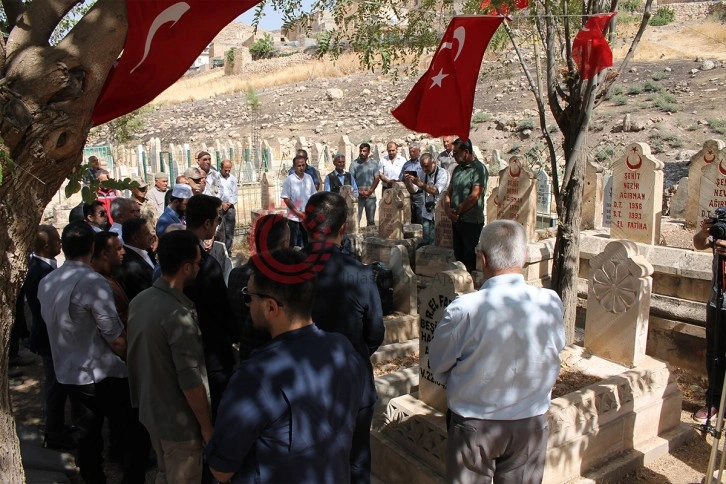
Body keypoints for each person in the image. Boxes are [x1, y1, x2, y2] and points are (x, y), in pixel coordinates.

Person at [205, 249, 368, 483]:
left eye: (248, 297)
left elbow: (221, 470)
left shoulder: (256, 376)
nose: (247, 304)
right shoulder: (344, 350)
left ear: (271, 307)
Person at [429, 220, 565, 484]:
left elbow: (438, 364)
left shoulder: (464, 309)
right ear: (524, 256)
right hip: (530, 422)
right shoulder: (550, 302)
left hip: (474, 424)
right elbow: (555, 350)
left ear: (482, 258)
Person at [38, 221, 149, 483]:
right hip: (101, 375)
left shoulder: (48, 281)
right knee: (133, 434)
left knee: (88, 439)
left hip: (69, 373)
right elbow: (115, 339)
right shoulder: (92, 282)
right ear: (91, 247)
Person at [304, 192, 384, 483]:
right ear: (343, 229)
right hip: (353, 382)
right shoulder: (360, 275)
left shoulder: (289, 270)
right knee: (356, 462)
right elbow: (375, 332)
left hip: (303, 383)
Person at [127, 230, 213, 483]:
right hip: (179, 425)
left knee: (164, 474)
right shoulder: (178, 315)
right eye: (198, 263)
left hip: (151, 411)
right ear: (186, 267)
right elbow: (190, 379)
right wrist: (206, 426)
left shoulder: (140, 301)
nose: (200, 267)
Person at [184, 194, 237, 419]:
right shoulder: (205, 264)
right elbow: (220, 308)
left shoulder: (176, 251)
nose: (218, 225)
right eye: (217, 220)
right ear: (207, 223)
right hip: (210, 349)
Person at [23, 225, 71, 449]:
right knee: (55, 386)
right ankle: (54, 432)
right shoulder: (40, 272)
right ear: (46, 246)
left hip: (50, 336)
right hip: (48, 337)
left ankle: (57, 426)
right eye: (57, 241)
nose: (60, 244)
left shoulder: (45, 268)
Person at [227, 214, 290, 360]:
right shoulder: (284, 281)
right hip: (278, 359)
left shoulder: (235, 275)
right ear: (284, 244)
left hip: (247, 356)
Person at [693, 215, 726, 424]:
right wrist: (704, 233)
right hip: (717, 300)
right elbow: (699, 244)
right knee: (714, 353)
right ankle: (714, 403)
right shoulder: (722, 218)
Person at [443, 138, 488, 273]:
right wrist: (447, 209)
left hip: (471, 222)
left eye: (456, 153)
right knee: (458, 259)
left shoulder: (479, 169)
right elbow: (448, 191)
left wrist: (457, 210)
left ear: (466, 152)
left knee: (469, 261)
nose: (454, 156)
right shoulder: (457, 169)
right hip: (456, 221)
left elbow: (475, 195)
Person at [410, 153, 449, 246]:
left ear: (434, 163)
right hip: (426, 212)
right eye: (422, 166)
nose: (424, 169)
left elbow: (436, 191)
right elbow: (413, 190)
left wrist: (420, 184)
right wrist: (409, 182)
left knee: (440, 243)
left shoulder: (442, 173)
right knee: (427, 241)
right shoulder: (422, 172)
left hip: (440, 212)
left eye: (426, 166)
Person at [92, 231, 129, 327]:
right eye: (118, 249)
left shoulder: (110, 274)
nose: (123, 252)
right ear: (104, 254)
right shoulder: (97, 283)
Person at [281, 154, 317, 248]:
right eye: (299, 165)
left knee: (307, 242)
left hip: (307, 216)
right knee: (293, 243)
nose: (301, 168)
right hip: (294, 218)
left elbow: (313, 195)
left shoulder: (309, 178)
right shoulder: (289, 180)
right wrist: (297, 212)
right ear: (294, 167)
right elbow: (286, 198)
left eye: (303, 165)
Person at [116, 217, 155, 301]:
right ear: (135, 239)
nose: (151, 236)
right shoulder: (131, 266)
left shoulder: (146, 250)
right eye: (147, 234)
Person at [349, 143, 379, 227]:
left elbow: (376, 178)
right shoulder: (354, 164)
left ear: (368, 152)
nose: (362, 152)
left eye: (364, 151)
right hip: (358, 196)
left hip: (370, 195)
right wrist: (359, 192)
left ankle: (371, 239)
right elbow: (351, 180)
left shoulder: (373, 163)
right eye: (360, 150)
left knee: (371, 222)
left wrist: (370, 190)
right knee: (356, 220)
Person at [400, 142, 425, 225]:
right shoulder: (406, 164)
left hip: (420, 194)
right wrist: (405, 178)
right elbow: (400, 178)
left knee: (420, 216)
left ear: (419, 151)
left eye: (414, 151)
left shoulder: (423, 163)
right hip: (408, 194)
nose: (411, 153)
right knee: (409, 216)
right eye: (410, 151)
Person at [218, 159, 238, 256]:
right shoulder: (216, 178)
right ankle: (221, 253)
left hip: (230, 207)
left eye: (229, 170)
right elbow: (215, 192)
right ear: (221, 168)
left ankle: (228, 253)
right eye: (225, 170)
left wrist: (229, 204)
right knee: (220, 232)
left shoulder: (233, 179)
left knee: (230, 232)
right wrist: (221, 203)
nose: (227, 172)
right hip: (219, 207)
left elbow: (234, 194)